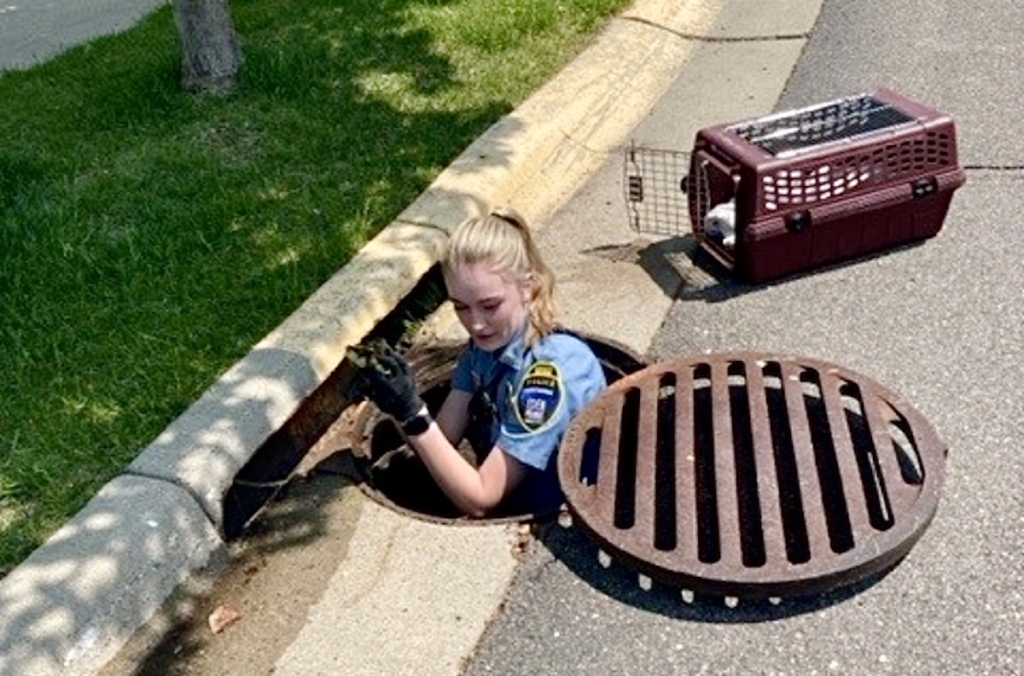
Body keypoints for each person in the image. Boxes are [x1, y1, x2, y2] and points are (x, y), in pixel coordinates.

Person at [358, 207, 606, 517]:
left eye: (490, 305)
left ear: (527, 288)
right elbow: (442, 439)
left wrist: (412, 415)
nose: (475, 324)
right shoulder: (482, 351)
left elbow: (482, 499)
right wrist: (398, 404)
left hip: (553, 517)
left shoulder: (549, 374)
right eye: (460, 307)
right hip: (512, 496)